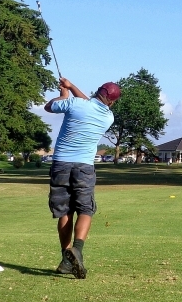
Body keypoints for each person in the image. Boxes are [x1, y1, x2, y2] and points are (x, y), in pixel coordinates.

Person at [44, 77, 120, 279]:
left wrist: (64, 94)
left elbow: (49, 107)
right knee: (86, 209)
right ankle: (76, 249)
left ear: (98, 91)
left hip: (61, 163)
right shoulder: (108, 118)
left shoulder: (74, 104)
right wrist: (71, 87)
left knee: (64, 211)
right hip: (85, 166)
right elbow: (89, 104)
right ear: (111, 102)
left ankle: (65, 258)